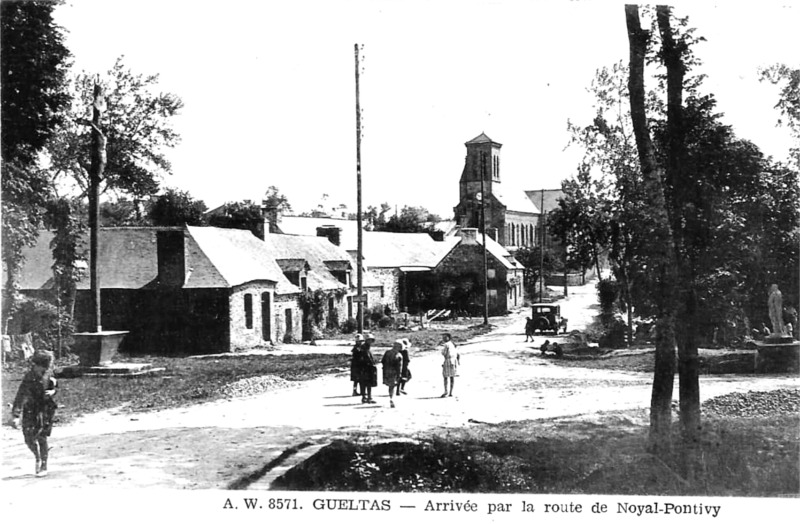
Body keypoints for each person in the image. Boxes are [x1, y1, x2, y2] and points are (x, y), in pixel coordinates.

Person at [11, 350, 58, 477]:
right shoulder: (29, 377)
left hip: (45, 409)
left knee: (41, 436)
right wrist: (16, 415)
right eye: (39, 367)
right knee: (28, 438)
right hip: (30, 410)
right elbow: (20, 396)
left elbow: (55, 385)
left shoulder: (49, 374)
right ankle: (37, 456)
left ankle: (44, 464)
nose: (41, 370)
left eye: (45, 368)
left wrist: (53, 392)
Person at [381, 341, 404, 408]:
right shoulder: (399, 355)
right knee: (393, 386)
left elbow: (383, 361)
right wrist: (399, 374)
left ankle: (391, 397)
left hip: (386, 370)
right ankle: (392, 398)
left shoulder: (387, 352)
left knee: (390, 385)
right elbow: (399, 366)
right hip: (394, 372)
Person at [358, 333, 377, 404]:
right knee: (366, 383)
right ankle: (366, 397)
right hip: (365, 368)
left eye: (371, 340)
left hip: (367, 368)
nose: (370, 342)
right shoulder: (364, 348)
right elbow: (365, 358)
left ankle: (367, 397)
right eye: (369, 340)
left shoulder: (367, 347)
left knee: (368, 383)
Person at [439, 333, 460, 397]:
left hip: (448, 360)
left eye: (445, 337)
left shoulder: (446, 345)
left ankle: (446, 391)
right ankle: (451, 392)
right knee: (452, 377)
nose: (444, 339)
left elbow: (444, 353)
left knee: (445, 376)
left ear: (448, 337)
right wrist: (458, 361)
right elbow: (458, 354)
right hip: (453, 361)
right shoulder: (452, 344)